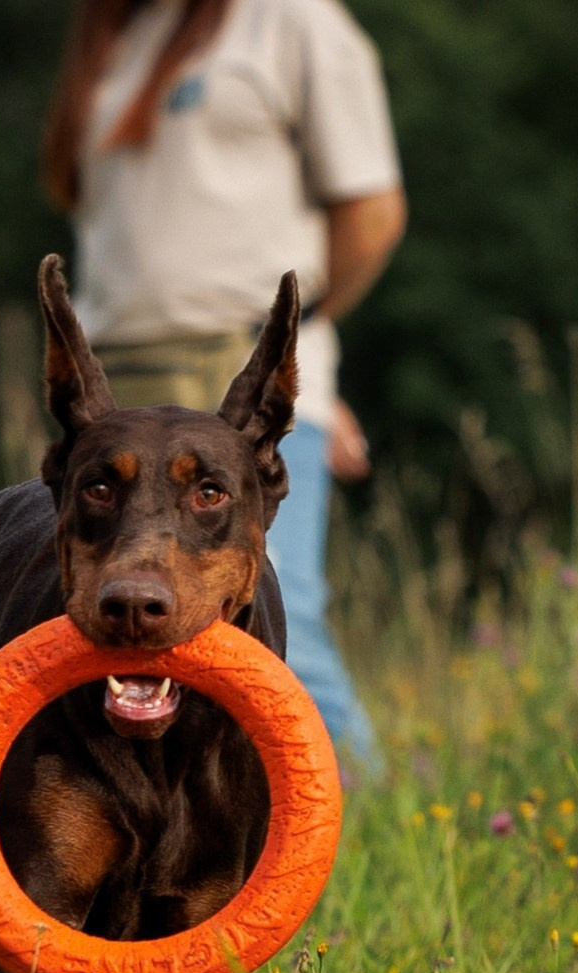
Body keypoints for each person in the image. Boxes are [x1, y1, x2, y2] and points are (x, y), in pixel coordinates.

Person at [42, 0, 405, 774]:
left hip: (238, 358)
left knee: (287, 628)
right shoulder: (120, 35)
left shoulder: (295, 22)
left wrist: (308, 348)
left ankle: (360, 820)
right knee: (90, 615)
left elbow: (373, 212)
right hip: (115, 382)